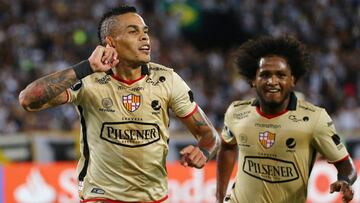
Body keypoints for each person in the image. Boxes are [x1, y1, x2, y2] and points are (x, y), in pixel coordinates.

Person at [19, 6, 219, 203]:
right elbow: (28, 99)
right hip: (101, 196)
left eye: (145, 32)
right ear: (111, 42)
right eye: (133, 31)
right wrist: (85, 67)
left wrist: (203, 151)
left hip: (155, 198)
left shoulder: (167, 79)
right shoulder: (89, 79)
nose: (144, 37)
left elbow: (210, 136)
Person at [216, 36, 357, 203]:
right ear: (253, 80)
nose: (272, 81)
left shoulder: (314, 118)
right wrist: (220, 196)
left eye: (281, 75)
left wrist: (345, 181)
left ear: (293, 80)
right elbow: (226, 148)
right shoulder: (237, 112)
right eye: (265, 75)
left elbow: (346, 165)